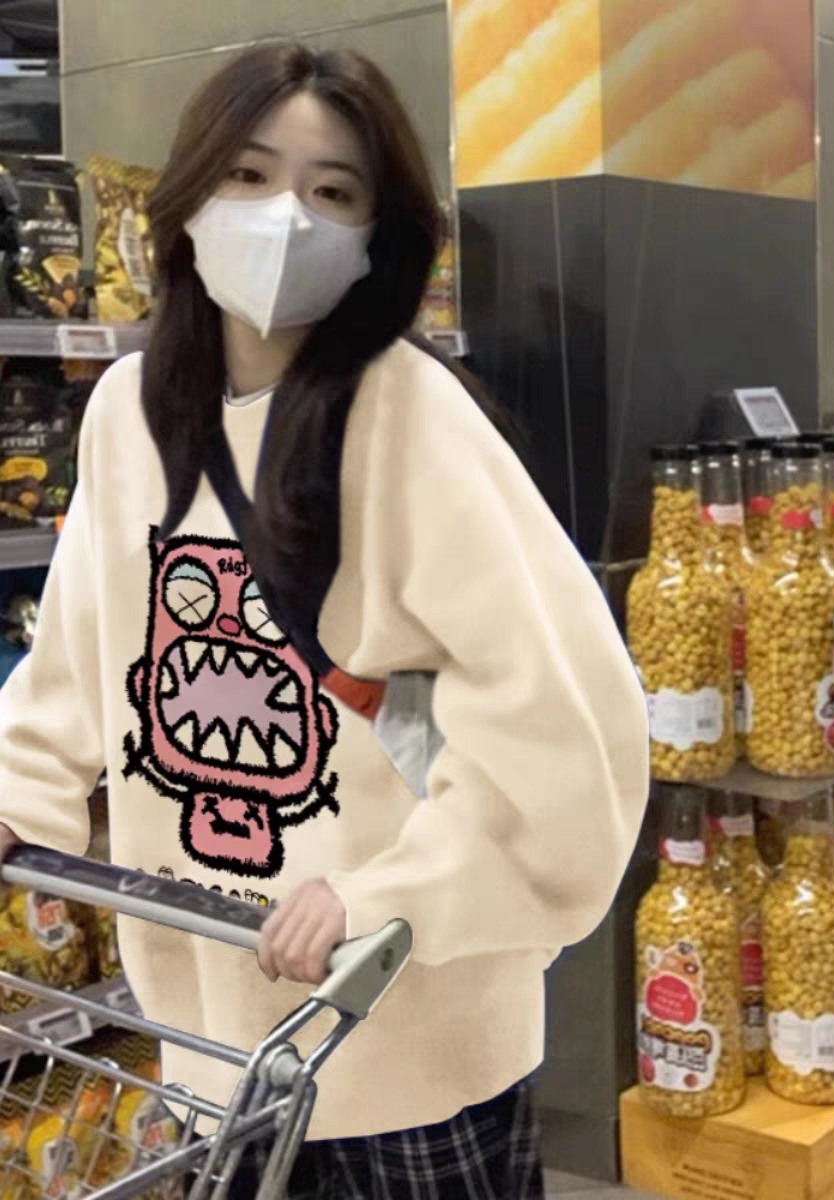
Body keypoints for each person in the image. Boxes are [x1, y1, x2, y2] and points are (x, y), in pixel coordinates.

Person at [0, 43, 649, 1199]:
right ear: (188, 193)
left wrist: (385, 896)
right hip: (216, 1044)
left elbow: (565, 731)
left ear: (376, 233)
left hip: (399, 1035)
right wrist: (18, 796)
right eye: (249, 176)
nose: (285, 218)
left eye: (332, 190)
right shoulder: (126, 414)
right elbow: (79, 658)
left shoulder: (411, 417)